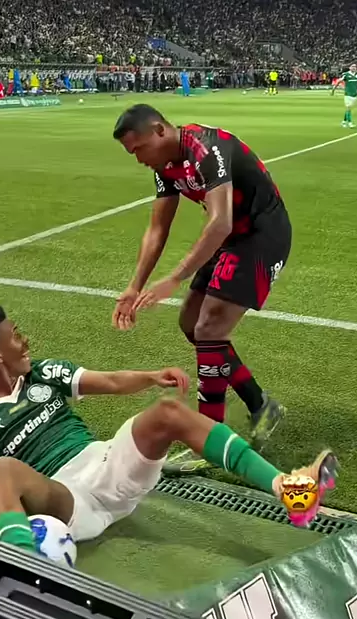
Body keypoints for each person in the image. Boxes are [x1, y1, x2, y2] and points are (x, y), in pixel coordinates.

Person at [0, 307, 337, 553]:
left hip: (107, 466)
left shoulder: (44, 373)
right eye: (15, 335)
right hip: (66, 501)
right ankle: (17, 567)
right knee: (1, 470)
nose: (25, 339)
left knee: (167, 412)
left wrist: (151, 377)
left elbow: (110, 381)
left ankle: (290, 490)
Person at [112, 104, 292, 452]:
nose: (139, 159)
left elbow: (220, 221)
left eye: (139, 149)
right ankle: (261, 405)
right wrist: (134, 286)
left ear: (160, 131)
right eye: (131, 153)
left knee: (209, 328)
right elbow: (157, 229)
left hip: (262, 234)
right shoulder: (164, 166)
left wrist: (176, 277)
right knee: (192, 323)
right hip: (231, 238)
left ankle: (210, 442)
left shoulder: (207, 147)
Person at [332, 63, 357, 128]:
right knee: (348, 108)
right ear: (349, 68)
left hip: (355, 94)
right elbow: (339, 81)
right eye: (352, 66)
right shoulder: (346, 74)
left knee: (348, 109)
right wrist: (333, 90)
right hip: (348, 94)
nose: (354, 67)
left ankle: (343, 121)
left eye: (355, 67)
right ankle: (350, 123)